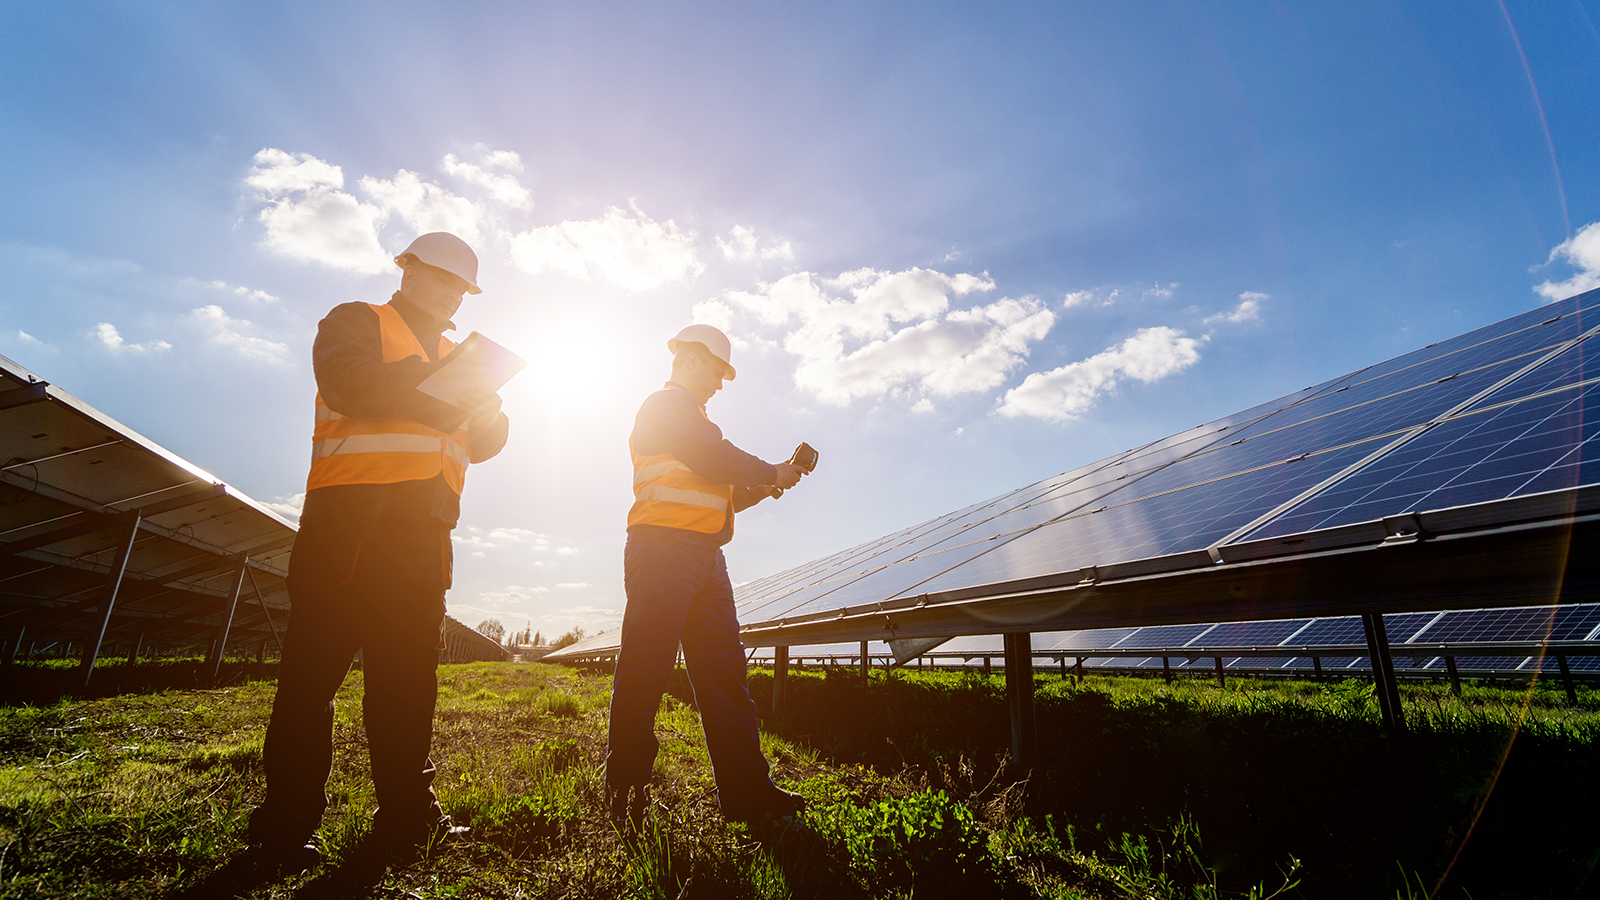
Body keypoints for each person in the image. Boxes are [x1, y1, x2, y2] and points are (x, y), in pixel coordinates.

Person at [245, 232, 510, 877]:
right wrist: (450, 386)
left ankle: (405, 813)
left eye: (463, 288)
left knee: (406, 686)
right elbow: (349, 384)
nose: (454, 295)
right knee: (311, 683)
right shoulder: (357, 321)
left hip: (421, 543)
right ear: (409, 270)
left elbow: (487, 444)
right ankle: (285, 825)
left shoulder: (458, 354)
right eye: (445, 280)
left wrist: (491, 403)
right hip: (348, 533)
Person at [605, 324, 808, 829]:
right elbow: (714, 456)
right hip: (662, 551)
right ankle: (625, 791)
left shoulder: (693, 420)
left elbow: (725, 490)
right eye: (718, 371)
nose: (720, 383)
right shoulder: (665, 406)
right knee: (646, 669)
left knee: (725, 677)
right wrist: (769, 470)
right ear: (692, 359)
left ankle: (746, 792)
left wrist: (773, 481)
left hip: (706, 558)